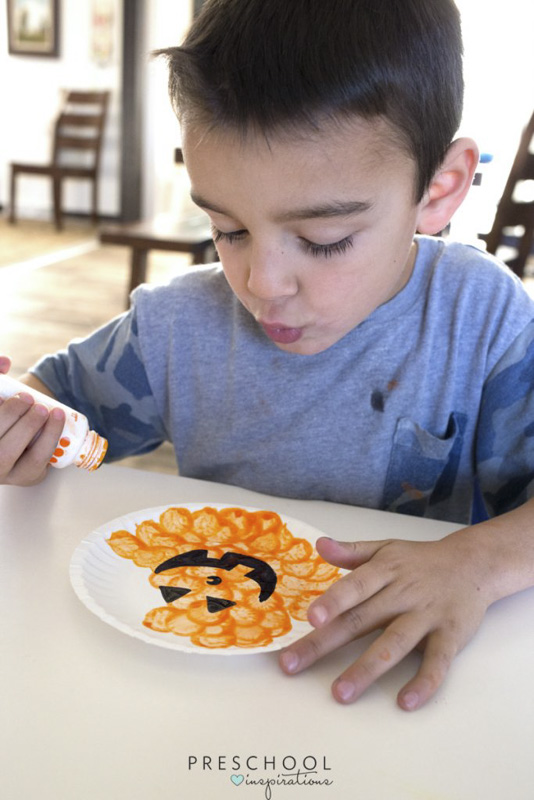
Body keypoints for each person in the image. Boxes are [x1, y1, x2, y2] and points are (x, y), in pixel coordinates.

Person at [2, 0, 534, 712]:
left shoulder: (482, 319)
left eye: (323, 240)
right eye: (226, 227)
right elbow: (62, 402)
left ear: (438, 188)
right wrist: (25, 417)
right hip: (208, 674)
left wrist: (474, 566)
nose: (260, 285)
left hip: (407, 679)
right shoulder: (175, 326)